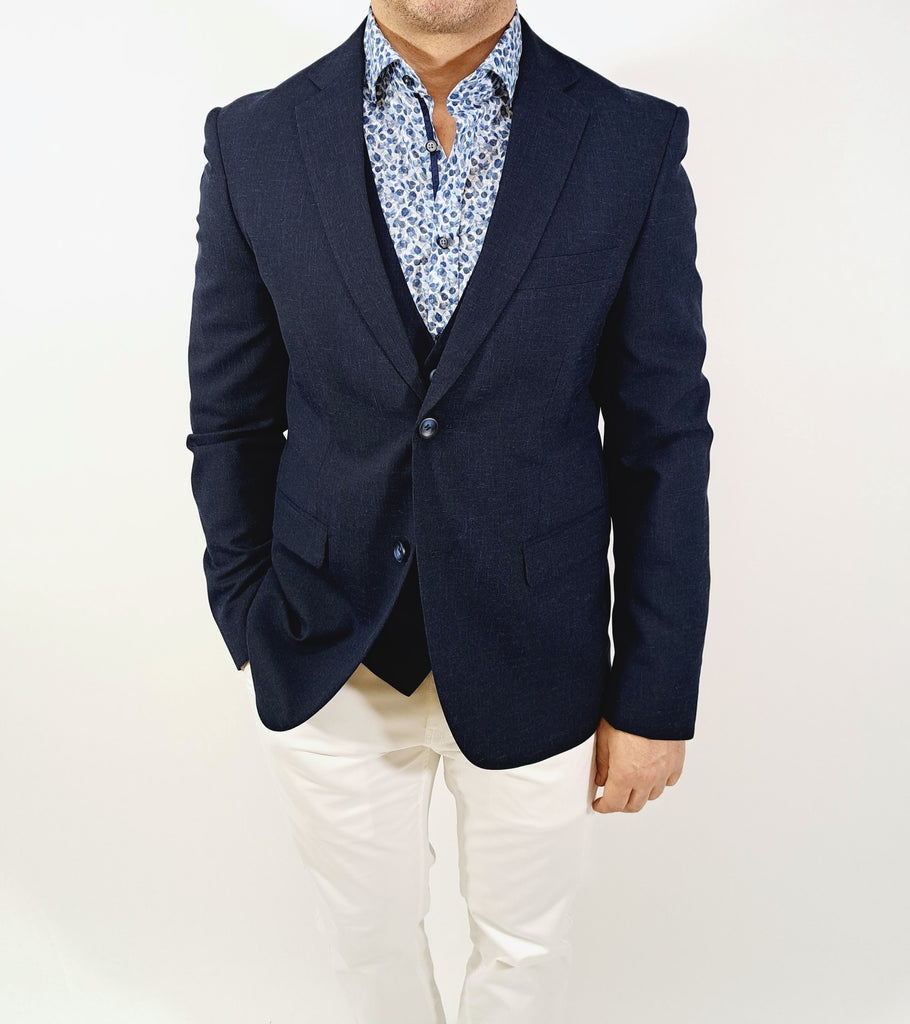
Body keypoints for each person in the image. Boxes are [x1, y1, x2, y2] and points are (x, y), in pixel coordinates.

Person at [186, 1, 712, 1021]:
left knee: (525, 954)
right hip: (326, 647)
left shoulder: (628, 141)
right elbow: (231, 417)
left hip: (542, 650)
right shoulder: (255, 140)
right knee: (368, 953)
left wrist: (654, 693)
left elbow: (662, 440)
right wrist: (249, 619)